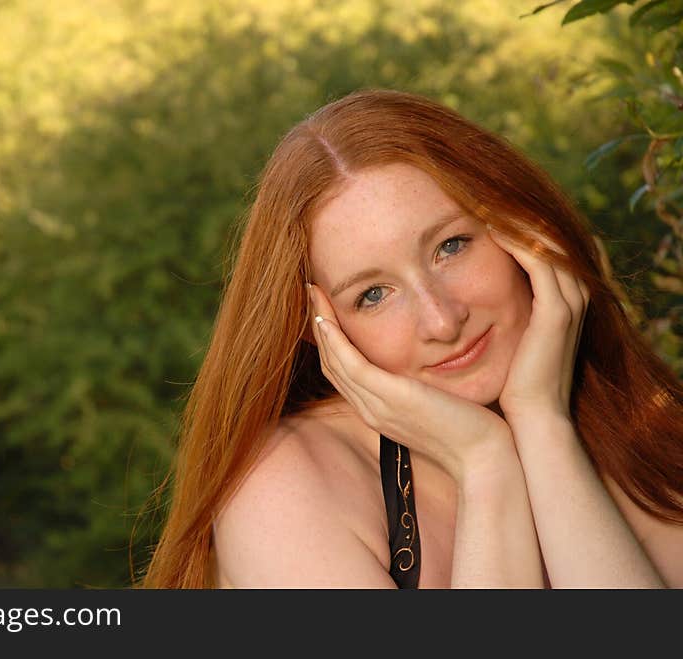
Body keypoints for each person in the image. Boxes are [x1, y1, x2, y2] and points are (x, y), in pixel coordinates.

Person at [140, 88, 683, 588]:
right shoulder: (285, 485)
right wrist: (486, 464)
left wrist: (542, 422)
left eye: (451, 246)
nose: (442, 321)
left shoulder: (638, 425)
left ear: (523, 229)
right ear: (318, 329)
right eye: (373, 295)